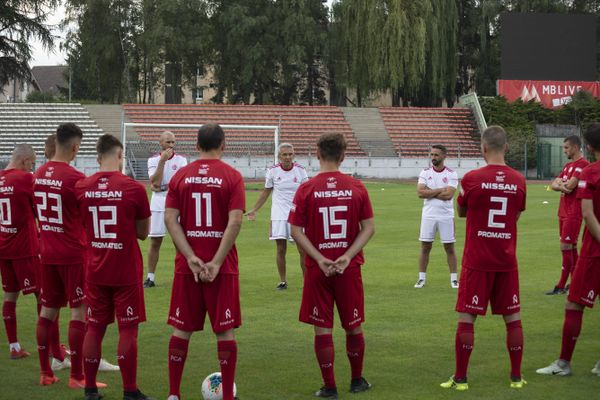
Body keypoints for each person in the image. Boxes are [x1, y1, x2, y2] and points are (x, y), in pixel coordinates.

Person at [289, 132, 375, 399]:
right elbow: (369, 228)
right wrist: (348, 256)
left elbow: (295, 230)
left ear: (317, 153)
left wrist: (318, 257)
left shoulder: (306, 188)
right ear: (343, 155)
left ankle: (330, 386)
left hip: (319, 269)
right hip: (348, 268)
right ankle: (357, 380)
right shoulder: (356, 186)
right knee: (353, 324)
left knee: (322, 327)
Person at [440, 126, 527, 391]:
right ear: (507, 148)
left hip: (478, 259)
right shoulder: (519, 180)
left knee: (467, 317)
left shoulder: (472, 179)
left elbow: (462, 211)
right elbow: (515, 215)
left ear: (483, 148)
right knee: (512, 317)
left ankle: (461, 378)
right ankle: (515, 377)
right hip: (506, 259)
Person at [165, 124, 244, 400]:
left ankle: (174, 394)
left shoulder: (180, 176)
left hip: (187, 268)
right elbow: (235, 221)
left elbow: (170, 220)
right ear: (223, 145)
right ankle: (227, 397)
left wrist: (190, 257)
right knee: (224, 331)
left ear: (196, 146)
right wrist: (217, 262)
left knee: (181, 329)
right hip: (222, 269)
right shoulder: (232, 176)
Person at [77, 134, 153, 400]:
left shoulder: (81, 187)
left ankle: (89, 389)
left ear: (97, 157)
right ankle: (130, 391)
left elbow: (81, 224)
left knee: (94, 327)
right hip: (125, 270)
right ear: (120, 156)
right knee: (128, 328)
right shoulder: (133, 188)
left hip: (95, 269)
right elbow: (143, 233)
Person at [33, 123, 107, 388]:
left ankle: (45, 373)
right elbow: (89, 214)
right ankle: (77, 376)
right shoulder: (75, 178)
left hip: (47, 252)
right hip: (73, 253)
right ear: (75, 147)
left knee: (47, 311)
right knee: (79, 311)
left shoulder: (38, 174)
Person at [537, 123, 600, 377]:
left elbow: (588, 214)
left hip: (595, 249)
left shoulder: (591, 172)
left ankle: (563, 363)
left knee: (574, 304)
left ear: (589, 146)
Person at [246, 143, 308, 289]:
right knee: (281, 249)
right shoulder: (273, 171)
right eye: (284, 154)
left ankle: (308, 282)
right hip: (279, 215)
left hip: (296, 215)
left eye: (290, 154)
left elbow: (307, 192)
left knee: (303, 250)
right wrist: (255, 209)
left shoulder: (300, 171)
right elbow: (266, 191)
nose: (288, 157)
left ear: (294, 155)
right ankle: (282, 281)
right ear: (279, 156)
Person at [0, 144, 39, 359]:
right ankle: (52, 347)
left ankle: (14, 347)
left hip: (3, 247)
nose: (31, 167)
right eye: (31, 163)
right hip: (24, 248)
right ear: (25, 161)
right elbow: (37, 209)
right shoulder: (24, 179)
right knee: (43, 296)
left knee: (9, 296)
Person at [546, 135, 589, 295]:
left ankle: (561, 285)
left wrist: (561, 185)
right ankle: (576, 282)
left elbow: (570, 186)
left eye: (566, 148)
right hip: (563, 211)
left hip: (573, 212)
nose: (564, 151)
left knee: (565, 246)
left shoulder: (582, 164)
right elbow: (553, 184)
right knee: (570, 247)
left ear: (575, 147)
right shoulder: (568, 166)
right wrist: (562, 185)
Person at [145, 131, 187, 288]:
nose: (171, 145)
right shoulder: (153, 160)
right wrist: (162, 162)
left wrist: (161, 186)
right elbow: (154, 180)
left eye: (173, 142)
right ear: (160, 143)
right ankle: (150, 277)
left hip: (177, 202)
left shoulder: (182, 160)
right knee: (155, 240)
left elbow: (180, 183)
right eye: (168, 142)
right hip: (158, 202)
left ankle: (181, 275)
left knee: (179, 241)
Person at [415, 144, 459, 289]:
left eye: (436, 155)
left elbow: (449, 196)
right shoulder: (425, 172)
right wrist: (440, 189)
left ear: (444, 156)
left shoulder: (451, 174)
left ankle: (454, 279)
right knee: (425, 246)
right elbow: (420, 193)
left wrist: (430, 191)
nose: (433, 157)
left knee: (449, 247)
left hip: (446, 216)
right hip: (428, 216)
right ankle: (421, 278)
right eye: (432, 154)